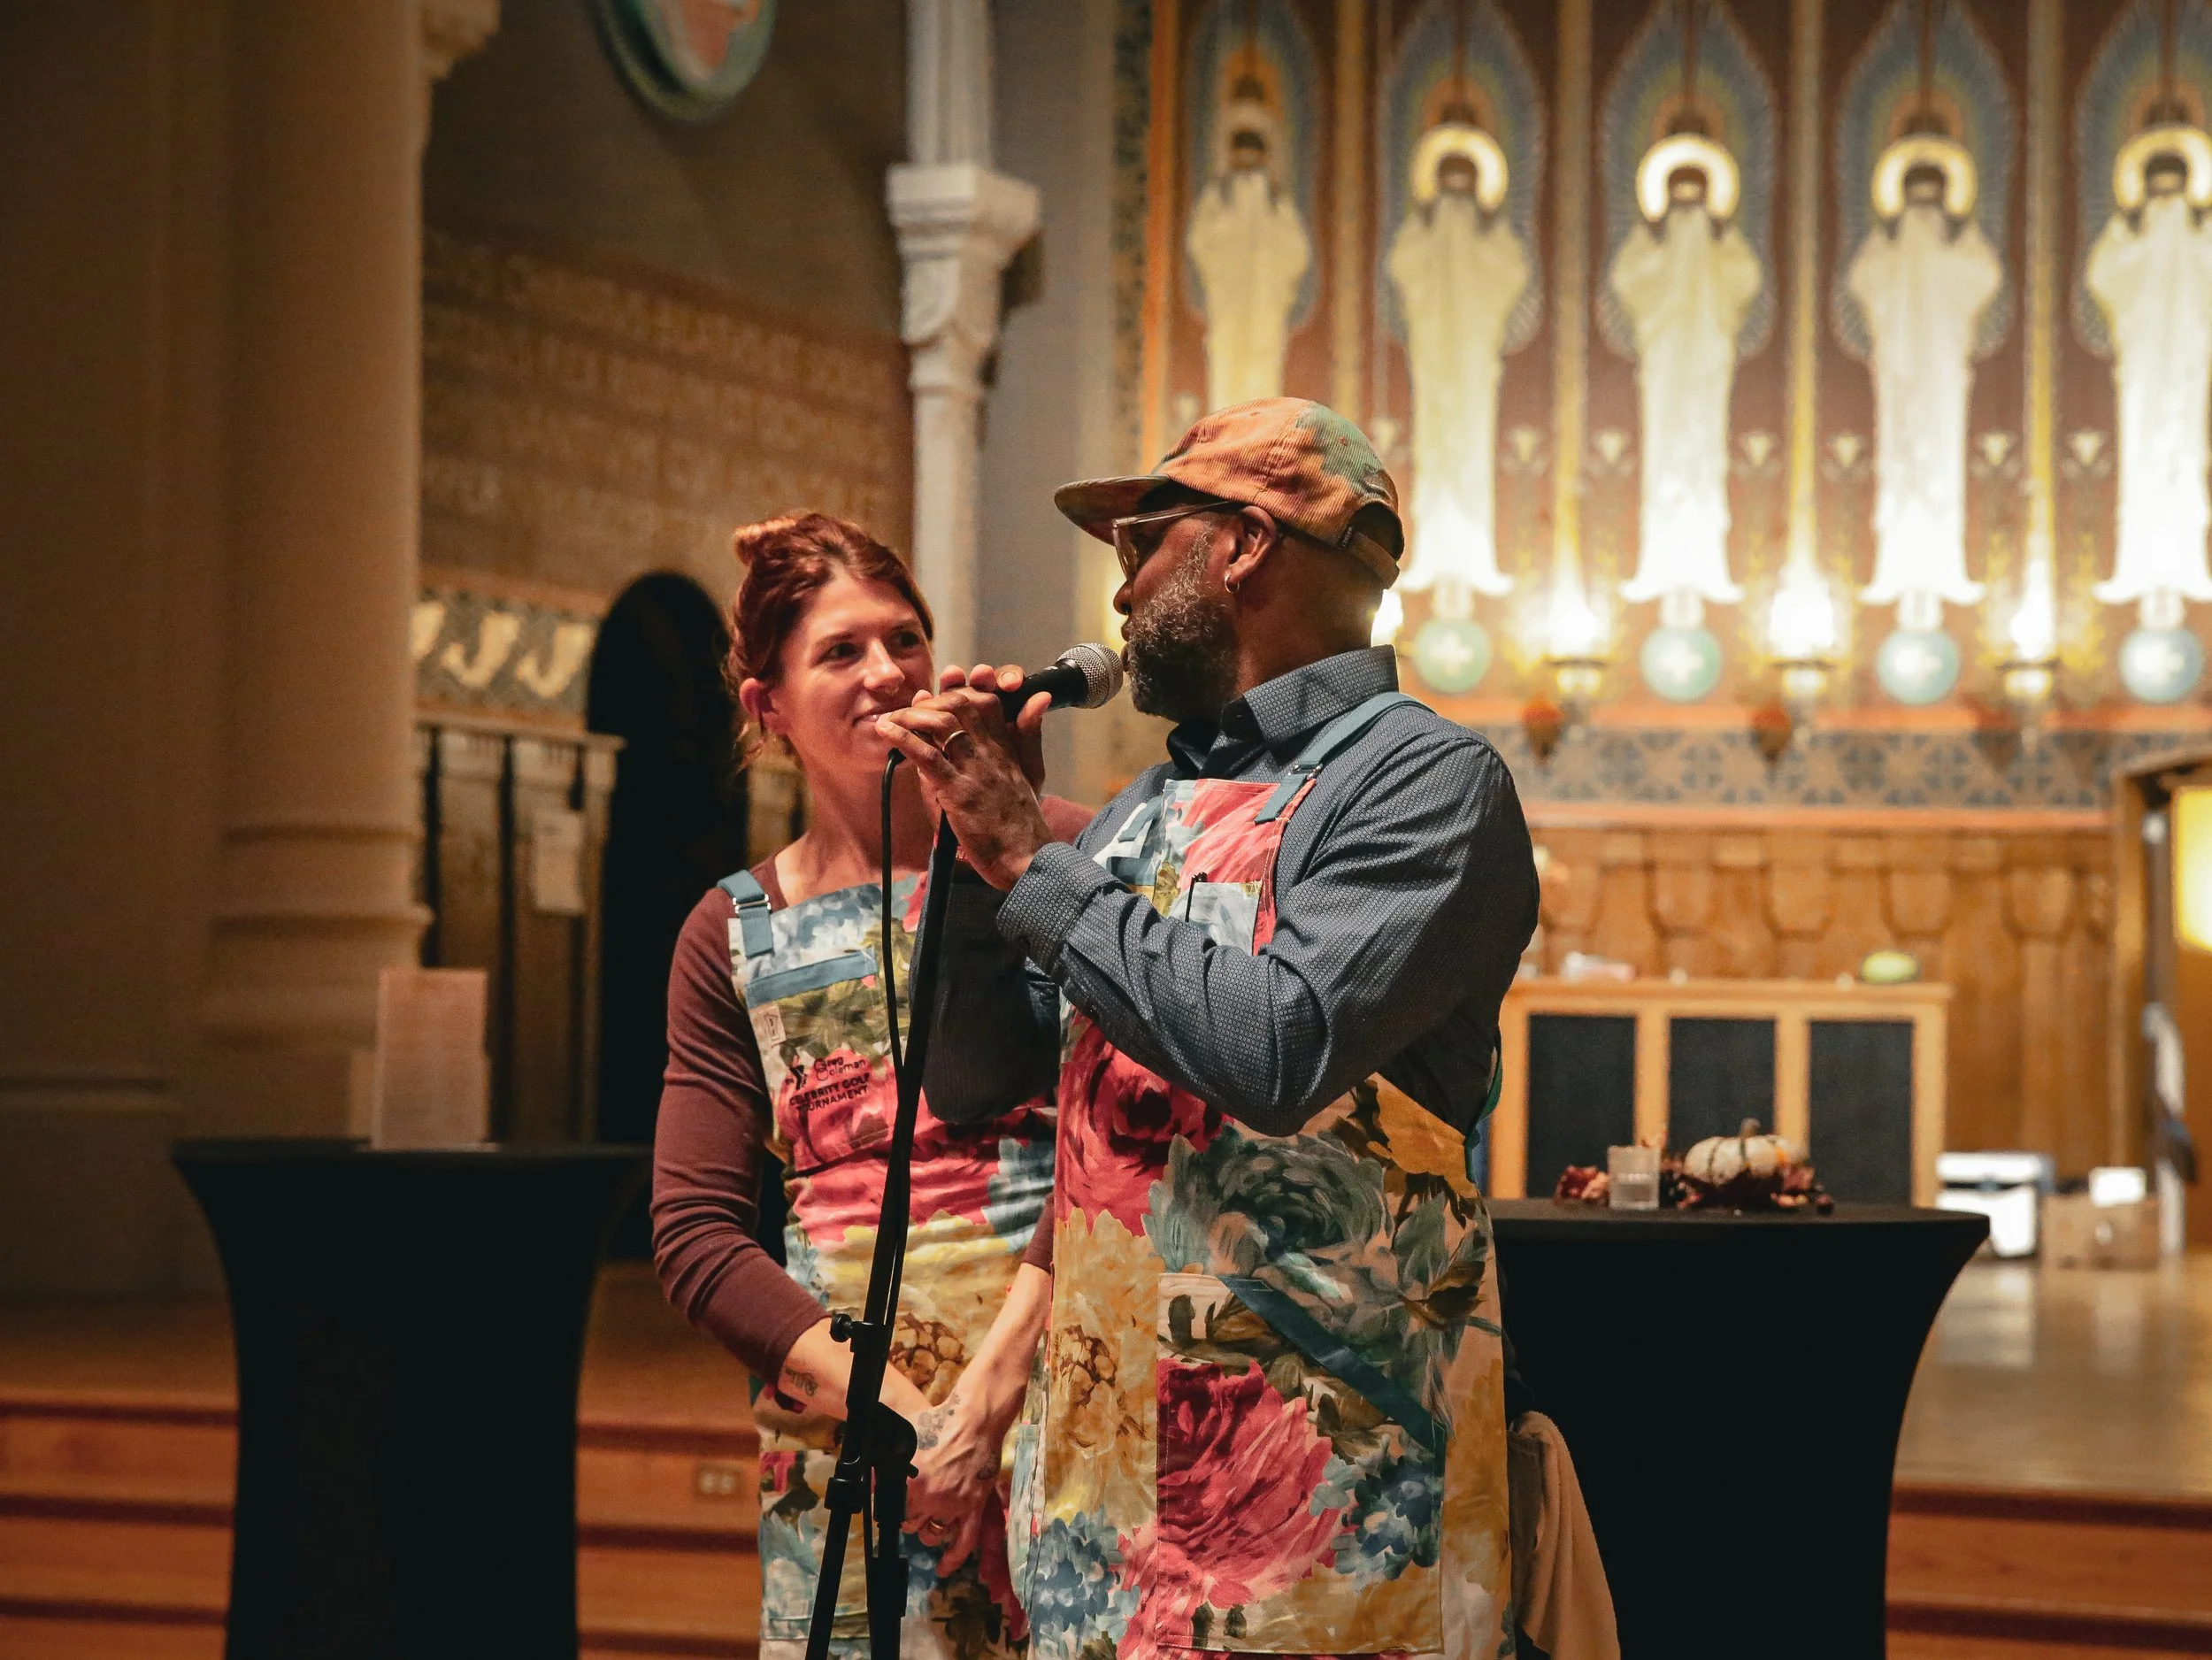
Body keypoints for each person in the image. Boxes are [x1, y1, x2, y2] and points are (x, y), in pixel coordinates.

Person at [875, 400, 1556, 1660]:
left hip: (1327, 1523)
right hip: (1099, 1516)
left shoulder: (1423, 784)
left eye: (1142, 545)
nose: (1121, 591)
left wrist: (1031, 854)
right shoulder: (1145, 807)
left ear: (1243, 545)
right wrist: (976, 866)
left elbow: (1278, 1048)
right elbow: (981, 1082)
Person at [651, 511, 1091, 1660]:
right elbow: (695, 1232)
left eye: (906, 639)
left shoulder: (1059, 856)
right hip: (853, 1433)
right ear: (769, 707)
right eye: (840, 652)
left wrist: (988, 1404)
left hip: (1066, 1388)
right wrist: (900, 1418)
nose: (888, 672)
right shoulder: (732, 928)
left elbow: (1120, 1138)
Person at [1609, 148, 1762, 612]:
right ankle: (1660, 554)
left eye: (1698, 201)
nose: (1689, 213)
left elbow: (1745, 278)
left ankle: (1705, 556)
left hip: (1707, 368)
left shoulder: (1722, 251)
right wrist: (1653, 236)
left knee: (1704, 452)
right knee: (1664, 447)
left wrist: (1722, 234)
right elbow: (1627, 278)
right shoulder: (1653, 250)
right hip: (1665, 365)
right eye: (1681, 201)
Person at [1847, 152, 2001, 615]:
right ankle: (1899, 558)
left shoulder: (1921, 254)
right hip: (1902, 375)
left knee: (1937, 451)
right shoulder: (1896, 255)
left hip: (1939, 375)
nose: (1922, 216)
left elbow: (1983, 276)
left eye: (1930, 205)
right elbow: (1863, 279)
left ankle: (1939, 558)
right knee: (1902, 451)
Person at [2088, 142, 2212, 611]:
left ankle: (2188, 557)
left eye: (2174, 193)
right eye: (2157, 194)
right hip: (2142, 362)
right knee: (2141, 447)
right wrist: (2128, 231)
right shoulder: (2129, 240)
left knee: (2187, 448)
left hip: (2188, 364)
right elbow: (2103, 274)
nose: (2166, 204)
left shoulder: (2199, 239)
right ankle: (2138, 557)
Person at [1187, 90, 1311, 412]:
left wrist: (1272, 270)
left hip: (1265, 303)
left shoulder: (1276, 202)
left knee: (1263, 366)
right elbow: (1200, 242)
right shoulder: (1218, 198)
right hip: (1229, 300)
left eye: (1253, 151)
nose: (1247, 159)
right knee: (1227, 362)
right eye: (1240, 151)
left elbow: (1297, 252)